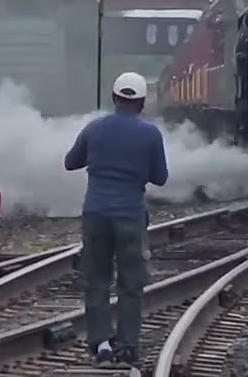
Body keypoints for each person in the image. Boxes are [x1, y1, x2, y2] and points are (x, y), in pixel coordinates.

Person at [64, 72, 169, 365]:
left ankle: (100, 344)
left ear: (113, 98)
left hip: (96, 213)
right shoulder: (150, 135)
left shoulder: (94, 129)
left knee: (96, 279)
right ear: (142, 103)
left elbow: (70, 162)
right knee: (131, 283)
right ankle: (127, 345)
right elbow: (160, 177)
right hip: (130, 216)